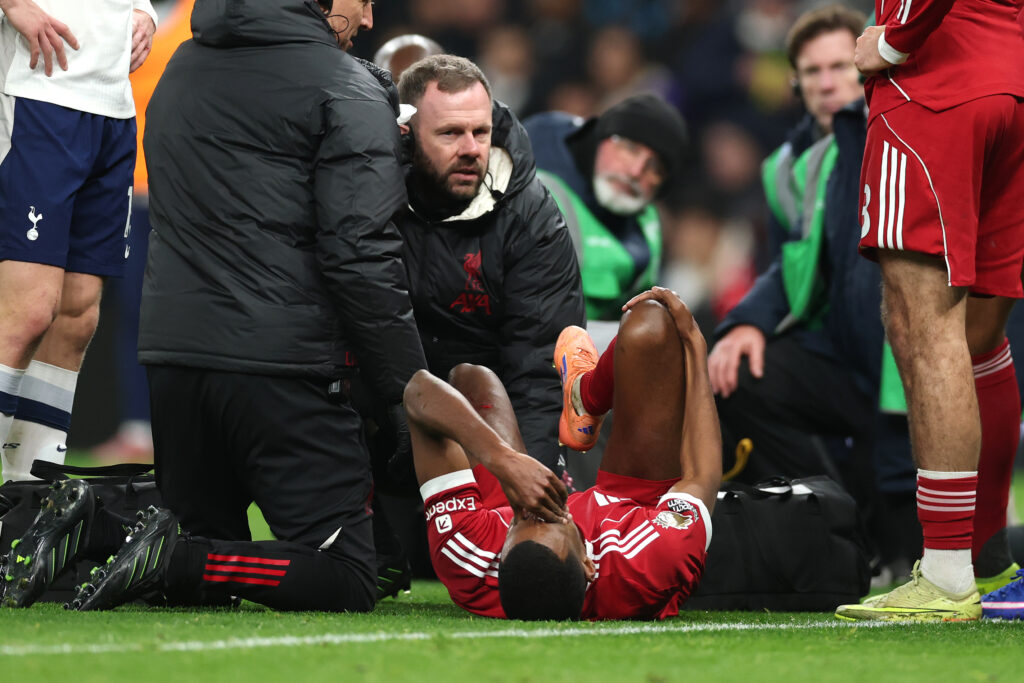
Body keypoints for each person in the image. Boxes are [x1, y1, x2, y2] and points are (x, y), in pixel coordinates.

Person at [0, 0, 426, 612]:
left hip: (176, 367)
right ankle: (131, 544)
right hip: (281, 369)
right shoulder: (344, 86)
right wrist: (403, 392)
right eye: (362, 2)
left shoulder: (183, 66)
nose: (368, 19)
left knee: (78, 320)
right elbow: (359, 256)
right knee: (350, 573)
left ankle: (67, 519)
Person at [706, 5, 925, 584]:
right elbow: (787, 264)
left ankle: (901, 534)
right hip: (841, 352)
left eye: (839, 66)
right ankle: (832, 511)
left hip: (904, 353)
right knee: (741, 373)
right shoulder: (784, 168)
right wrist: (747, 322)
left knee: (918, 524)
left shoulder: (899, 135)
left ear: (866, 69)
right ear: (796, 83)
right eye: (813, 71)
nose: (829, 82)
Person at [835, 0, 1024, 622]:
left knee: (924, 324)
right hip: (1012, 77)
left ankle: (945, 572)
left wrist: (895, 40)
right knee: (978, 335)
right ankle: (985, 551)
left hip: (937, 90)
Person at [406, 287, 720, 620]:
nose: (537, 507)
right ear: (588, 564)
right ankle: (588, 395)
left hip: (503, 512)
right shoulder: (650, 564)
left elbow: (419, 390)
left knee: (471, 378)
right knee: (652, 322)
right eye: (556, 519)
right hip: (630, 501)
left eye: (524, 520)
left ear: (500, 560)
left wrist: (503, 460)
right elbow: (702, 475)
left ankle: (583, 403)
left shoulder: (469, 558)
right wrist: (696, 347)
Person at [393, 55, 584, 477]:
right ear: (406, 136)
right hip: (385, 425)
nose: (471, 149)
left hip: (494, 431)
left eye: (481, 132)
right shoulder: (370, 193)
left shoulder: (531, 218)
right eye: (450, 134)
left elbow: (540, 367)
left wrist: (531, 483)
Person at [0, 0, 157, 482]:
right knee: (27, 314)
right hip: (37, 92)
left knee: (77, 317)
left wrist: (144, 11)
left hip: (114, 105)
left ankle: (27, 505)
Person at [523, 94, 688, 328]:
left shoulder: (646, 233)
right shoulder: (530, 150)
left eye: (656, 168)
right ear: (600, 135)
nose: (635, 171)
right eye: (630, 148)